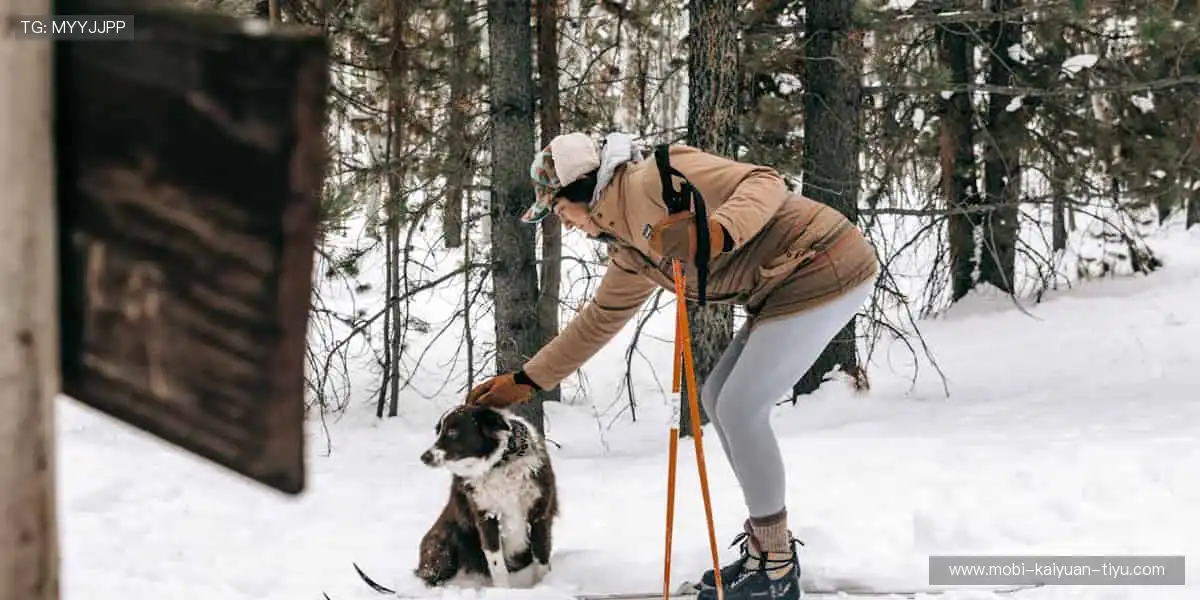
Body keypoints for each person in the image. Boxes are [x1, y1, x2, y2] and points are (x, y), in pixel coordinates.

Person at [466, 131, 879, 600]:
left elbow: (765, 182)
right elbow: (599, 319)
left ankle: (777, 564)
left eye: (560, 212)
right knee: (719, 399)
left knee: (742, 407)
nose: (568, 225)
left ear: (581, 191)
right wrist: (526, 380)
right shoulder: (629, 249)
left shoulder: (656, 177)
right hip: (783, 284)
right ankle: (768, 552)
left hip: (823, 261)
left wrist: (717, 230)